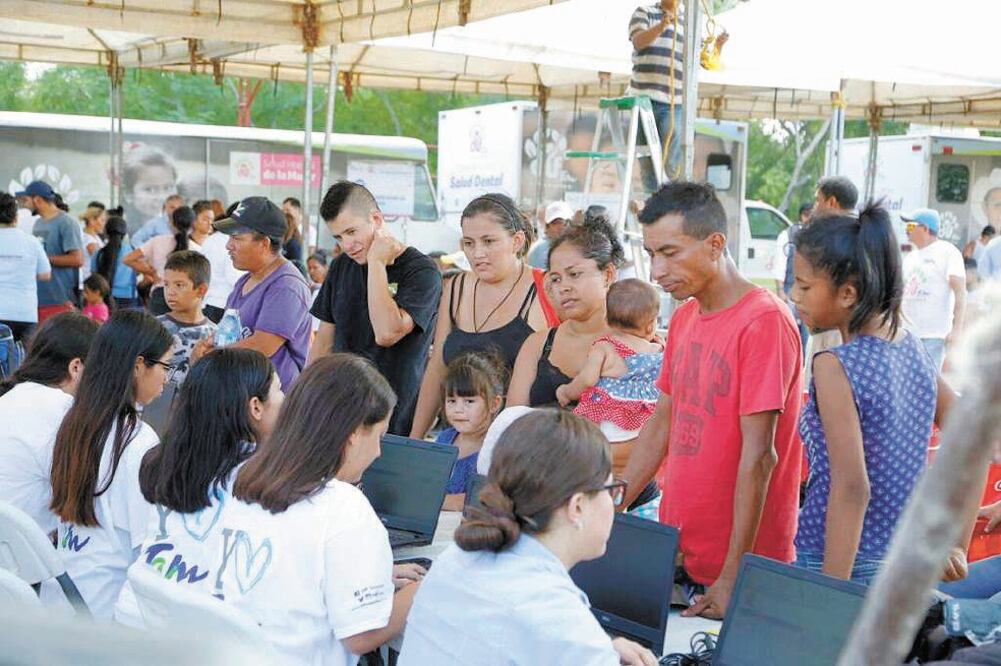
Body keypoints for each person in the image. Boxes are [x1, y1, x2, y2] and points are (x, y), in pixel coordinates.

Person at [125, 355, 421, 663]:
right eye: (380, 436)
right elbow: (361, 634)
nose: (378, 452)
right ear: (353, 435)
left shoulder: (242, 482)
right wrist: (423, 590)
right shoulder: (344, 507)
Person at [620, 182, 803, 619]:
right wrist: (613, 502)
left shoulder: (764, 321)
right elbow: (662, 421)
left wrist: (733, 572)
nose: (656, 270)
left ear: (715, 244)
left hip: (740, 572)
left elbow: (760, 457)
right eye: (650, 254)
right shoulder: (684, 317)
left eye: (669, 252)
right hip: (681, 553)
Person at [398, 409, 657, 666]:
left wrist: (596, 650)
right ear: (577, 506)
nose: (613, 503)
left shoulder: (458, 558)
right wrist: (592, 651)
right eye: (610, 490)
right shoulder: (556, 615)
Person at [789, 203, 949, 585]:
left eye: (805, 286)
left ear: (847, 293)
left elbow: (852, 488)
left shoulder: (834, 365)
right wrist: (953, 542)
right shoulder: (911, 346)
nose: (794, 295)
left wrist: (831, 592)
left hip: (838, 558)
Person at [114, 348, 283, 625]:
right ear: (255, 407)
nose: (285, 400)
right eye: (279, 390)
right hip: (193, 640)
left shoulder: (165, 459)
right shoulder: (261, 480)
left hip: (134, 617)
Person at [47, 310, 173, 618]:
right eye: (165, 366)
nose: (167, 378)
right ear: (139, 366)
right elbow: (148, 553)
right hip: (104, 615)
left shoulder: (74, 421)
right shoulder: (137, 440)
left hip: (60, 600)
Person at [410, 193, 555, 439]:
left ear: (517, 241)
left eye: (489, 241)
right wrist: (414, 439)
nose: (478, 253)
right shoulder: (456, 288)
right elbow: (437, 368)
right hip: (458, 441)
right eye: (469, 243)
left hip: (527, 444)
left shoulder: (546, 286)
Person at [308, 181, 442, 435]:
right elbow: (323, 344)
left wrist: (377, 263)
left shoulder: (421, 270)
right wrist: (303, 402)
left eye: (352, 232)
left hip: (393, 420)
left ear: (376, 219)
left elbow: (386, 332)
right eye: (338, 236)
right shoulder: (339, 267)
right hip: (340, 414)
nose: (347, 245)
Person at [195, 196, 312, 391]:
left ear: (264, 244)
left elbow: (262, 346)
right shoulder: (246, 280)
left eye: (236, 238)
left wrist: (215, 354)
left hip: (272, 403)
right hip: (243, 393)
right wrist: (211, 343)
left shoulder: (286, 286)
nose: (228, 245)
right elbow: (232, 331)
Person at [508, 215, 624, 410]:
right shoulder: (536, 345)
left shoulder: (637, 345)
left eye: (574, 274)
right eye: (556, 278)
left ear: (608, 275)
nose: (563, 287)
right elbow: (511, 420)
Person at [0, 313, 99, 532]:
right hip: (24, 551)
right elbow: (87, 497)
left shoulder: (12, 396)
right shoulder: (63, 409)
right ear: (76, 367)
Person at [555, 278, 663, 448]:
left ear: (606, 319)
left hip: (608, 423)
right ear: (650, 326)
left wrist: (567, 392)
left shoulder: (605, 347)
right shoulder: (658, 351)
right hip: (648, 423)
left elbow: (587, 379)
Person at [435, 351, 507, 511]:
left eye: (469, 401)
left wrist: (439, 501)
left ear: (494, 404)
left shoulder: (497, 448)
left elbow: (483, 498)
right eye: (451, 401)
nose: (458, 409)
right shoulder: (444, 439)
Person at [901, 208, 966, 370]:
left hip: (933, 335)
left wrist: (957, 329)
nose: (906, 230)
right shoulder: (910, 258)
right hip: (907, 335)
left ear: (925, 228)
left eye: (910, 226)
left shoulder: (947, 252)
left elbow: (960, 292)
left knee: (928, 383)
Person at [17, 181, 83, 322]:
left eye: (26, 200)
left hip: (60, 299)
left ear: (38, 200)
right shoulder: (38, 223)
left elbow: (77, 259)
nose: (25, 204)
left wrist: (42, 258)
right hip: (39, 298)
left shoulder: (66, 223)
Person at [124, 205, 201, 316]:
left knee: (156, 332)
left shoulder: (157, 241)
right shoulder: (197, 250)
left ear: (171, 223)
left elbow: (128, 259)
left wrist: (151, 273)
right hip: (187, 297)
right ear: (193, 225)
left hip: (160, 294)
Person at [156, 251, 216, 386]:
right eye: (166, 284)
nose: (170, 291)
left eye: (179, 285)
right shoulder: (153, 327)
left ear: (201, 290)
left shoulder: (214, 336)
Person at [0, 191, 51, 343]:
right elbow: (45, 274)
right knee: (26, 362)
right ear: (15, 216)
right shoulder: (32, 242)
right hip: (25, 312)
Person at [200, 201, 246, 324]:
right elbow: (234, 278)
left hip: (208, 303)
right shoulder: (233, 242)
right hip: (223, 306)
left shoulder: (211, 239)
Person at [122, 145, 178, 237]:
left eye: (168, 187)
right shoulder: (124, 232)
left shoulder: (182, 229)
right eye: (150, 190)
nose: (162, 197)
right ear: (129, 194)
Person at [93, 214, 141, 310]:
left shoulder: (99, 253)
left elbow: (95, 276)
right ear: (124, 233)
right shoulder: (133, 251)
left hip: (106, 298)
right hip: (129, 297)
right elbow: (138, 272)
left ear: (106, 232)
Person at [527, 200, 573, 270]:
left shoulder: (573, 246)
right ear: (547, 226)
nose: (561, 227)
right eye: (556, 223)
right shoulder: (539, 249)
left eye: (566, 222)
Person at [78, 204, 107, 286]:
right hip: (88, 283)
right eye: (102, 220)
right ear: (92, 221)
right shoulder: (89, 241)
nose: (104, 224)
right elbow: (101, 262)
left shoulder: (95, 237)